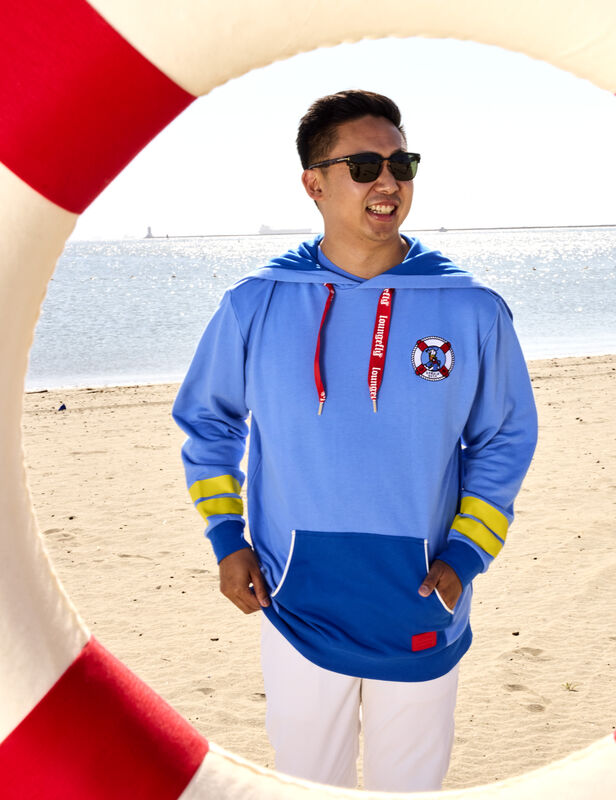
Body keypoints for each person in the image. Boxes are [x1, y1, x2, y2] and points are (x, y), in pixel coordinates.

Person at [172, 89, 537, 791]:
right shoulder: (255, 303)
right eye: (365, 166)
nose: (388, 181)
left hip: (420, 598)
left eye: (402, 163)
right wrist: (226, 537)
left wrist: (467, 552)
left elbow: (503, 439)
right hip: (295, 600)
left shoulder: (470, 307)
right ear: (314, 184)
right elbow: (209, 422)